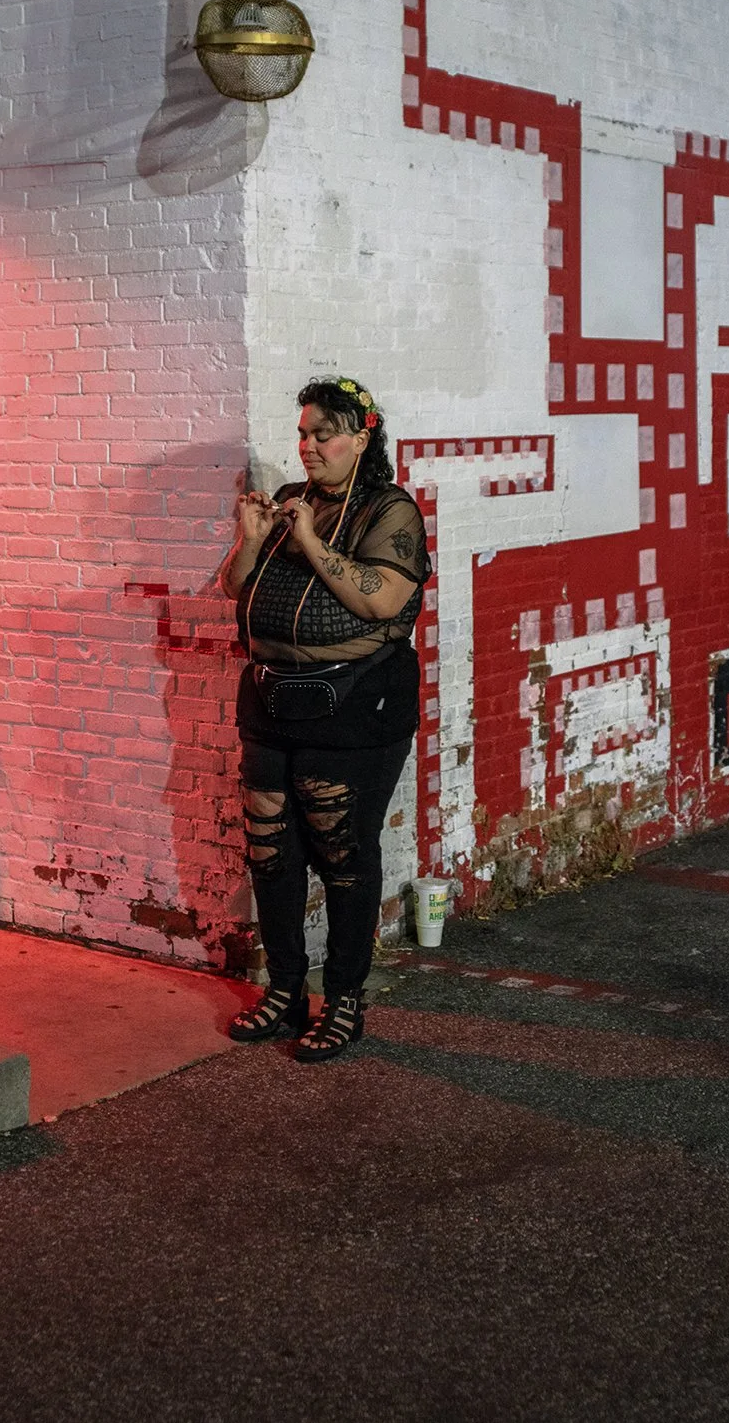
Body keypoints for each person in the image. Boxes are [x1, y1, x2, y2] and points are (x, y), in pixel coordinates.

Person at [221, 376, 431, 1061]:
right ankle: (285, 989)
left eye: (325, 434)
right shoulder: (289, 500)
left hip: (353, 704)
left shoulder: (389, 510)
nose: (309, 446)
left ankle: (344, 999)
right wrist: (250, 541)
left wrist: (309, 541)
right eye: (304, 433)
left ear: (361, 437)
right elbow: (237, 586)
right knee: (269, 848)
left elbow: (380, 600)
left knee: (341, 851)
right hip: (269, 697)